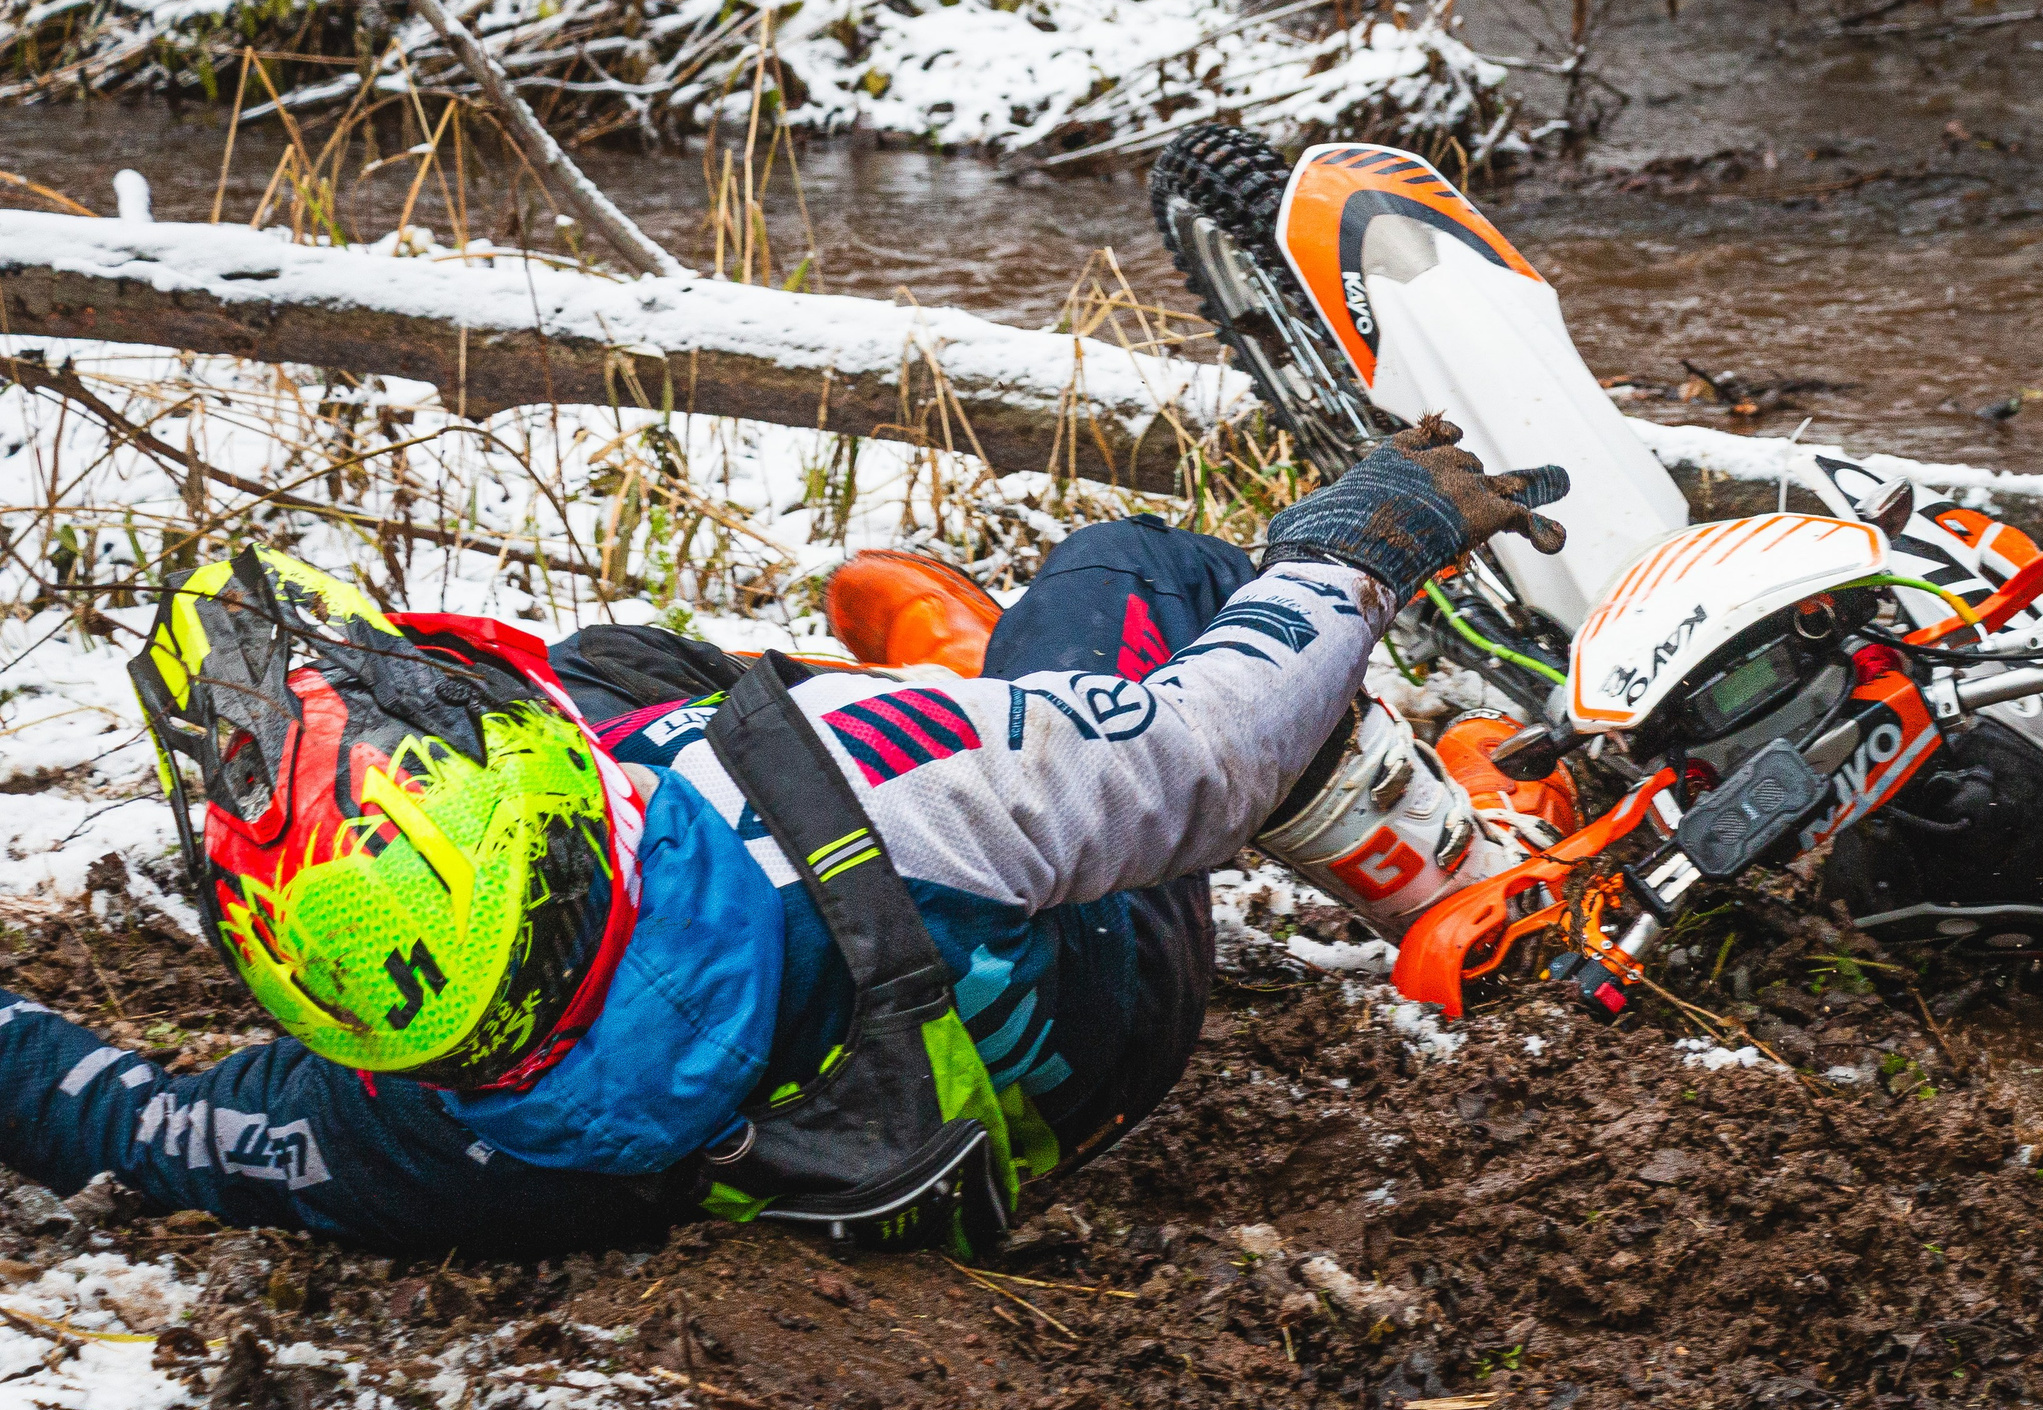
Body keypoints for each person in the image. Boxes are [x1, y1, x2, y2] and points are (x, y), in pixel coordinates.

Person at [0, 421, 1569, 1255]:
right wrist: (1352, 548)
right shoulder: (853, 787)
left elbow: (141, 1125)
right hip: (1108, 988)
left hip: (916, 1134)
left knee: (610, 659)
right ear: (553, 810)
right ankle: (1444, 853)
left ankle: (1003, 687)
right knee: (1135, 564)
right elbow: (1213, 749)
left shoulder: (410, 1144)